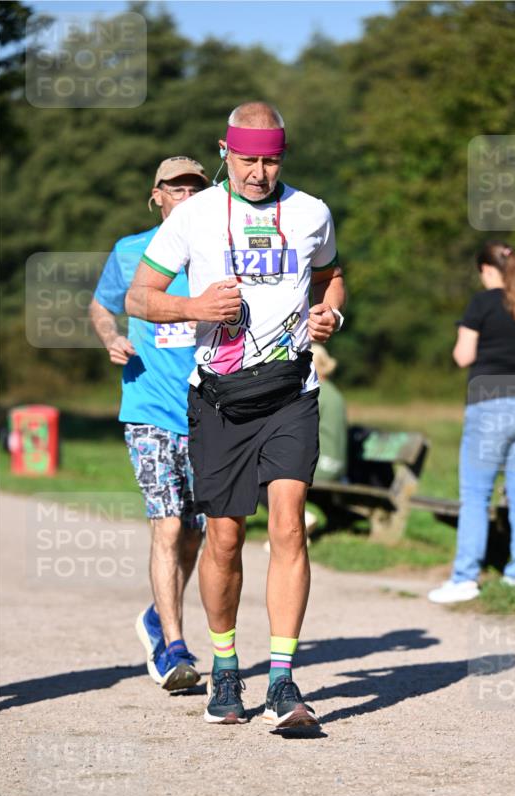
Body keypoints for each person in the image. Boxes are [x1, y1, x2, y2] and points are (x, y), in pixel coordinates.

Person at [126, 102, 346, 730]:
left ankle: (282, 680)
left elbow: (331, 277)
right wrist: (194, 303)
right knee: (222, 538)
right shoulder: (194, 215)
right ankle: (226, 668)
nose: (259, 171)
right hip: (219, 399)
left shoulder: (310, 212)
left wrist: (332, 312)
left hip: (290, 392)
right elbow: (139, 297)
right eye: (248, 158)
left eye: (271, 159)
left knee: (289, 526)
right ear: (226, 151)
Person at [89, 156, 210, 689]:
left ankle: (157, 615)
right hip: (149, 410)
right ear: (156, 195)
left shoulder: (216, 253)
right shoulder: (130, 250)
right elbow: (100, 306)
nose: (186, 195)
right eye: (176, 188)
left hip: (208, 412)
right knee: (167, 525)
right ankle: (175, 650)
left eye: (195, 188)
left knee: (197, 533)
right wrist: (111, 335)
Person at [428, 241, 515, 604]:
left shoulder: (482, 304)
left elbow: (463, 355)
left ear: (486, 270)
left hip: (492, 404)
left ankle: (465, 578)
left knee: (475, 494)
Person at [312, 342, 348, 482]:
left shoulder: (315, 392)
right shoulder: (334, 392)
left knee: (262, 475)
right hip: (338, 467)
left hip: (321, 469)